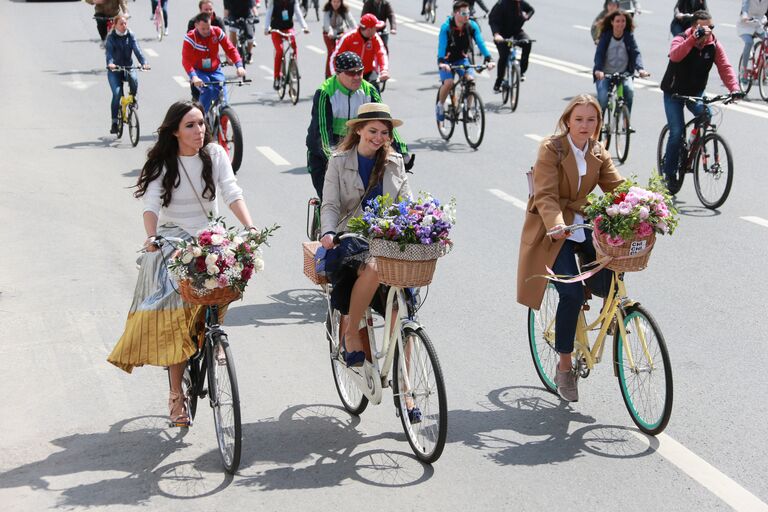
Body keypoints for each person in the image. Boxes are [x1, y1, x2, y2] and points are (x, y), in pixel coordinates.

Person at [108, 101, 258, 427]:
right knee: (176, 317)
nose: (199, 131)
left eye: (202, 124)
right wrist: (151, 237)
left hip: (209, 236)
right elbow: (150, 204)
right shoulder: (164, 163)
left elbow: (231, 192)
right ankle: (176, 396)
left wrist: (249, 227)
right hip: (173, 240)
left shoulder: (215, 155)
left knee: (230, 278)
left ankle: (212, 332)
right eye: (190, 125)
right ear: (175, 131)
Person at [517, 94, 625, 403]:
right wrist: (555, 222)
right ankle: (565, 367)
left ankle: (616, 319)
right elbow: (546, 194)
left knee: (611, 276)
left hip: (584, 225)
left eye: (591, 120)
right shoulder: (551, 149)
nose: (585, 125)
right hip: (554, 232)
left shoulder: (597, 151)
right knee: (571, 293)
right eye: (579, 119)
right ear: (568, 121)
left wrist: (643, 206)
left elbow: (617, 187)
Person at [319, 103, 412, 369]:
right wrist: (328, 231)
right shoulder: (338, 162)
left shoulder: (395, 163)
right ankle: (350, 332)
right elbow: (330, 205)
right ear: (359, 130)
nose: (379, 138)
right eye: (373, 131)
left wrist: (423, 227)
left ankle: (407, 392)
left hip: (386, 238)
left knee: (402, 312)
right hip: (348, 240)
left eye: (385, 132)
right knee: (373, 267)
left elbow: (408, 203)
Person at [306, 52, 411, 199]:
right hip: (327, 149)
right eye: (351, 73)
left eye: (360, 72)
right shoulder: (325, 92)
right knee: (331, 200)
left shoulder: (369, 89)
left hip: (360, 145)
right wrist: (334, 159)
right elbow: (322, 133)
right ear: (338, 73)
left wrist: (403, 151)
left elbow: (385, 121)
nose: (356, 77)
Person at [660, 10, 740, 187]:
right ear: (694, 27)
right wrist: (692, 40)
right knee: (676, 132)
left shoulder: (714, 44)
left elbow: (725, 67)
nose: (708, 31)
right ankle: (670, 172)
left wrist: (734, 89)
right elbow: (675, 55)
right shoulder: (681, 38)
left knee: (706, 115)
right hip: (674, 93)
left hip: (695, 92)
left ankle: (691, 150)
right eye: (703, 28)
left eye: (711, 27)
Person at [436, 1, 494, 122]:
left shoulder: (472, 26)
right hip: (447, 60)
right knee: (448, 83)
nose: (467, 15)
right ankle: (440, 105)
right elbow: (441, 47)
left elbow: (480, 42)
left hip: (462, 58)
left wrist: (489, 58)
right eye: (464, 13)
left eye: (468, 12)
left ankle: (467, 110)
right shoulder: (446, 27)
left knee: (471, 81)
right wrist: (442, 62)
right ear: (455, 13)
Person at [182, 12, 246, 114]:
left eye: (208, 27)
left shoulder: (217, 32)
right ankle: (202, 120)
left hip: (215, 70)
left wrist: (239, 66)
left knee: (224, 101)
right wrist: (193, 77)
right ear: (196, 26)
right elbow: (186, 60)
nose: (206, 31)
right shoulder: (190, 37)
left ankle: (222, 126)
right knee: (208, 90)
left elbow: (230, 49)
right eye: (203, 29)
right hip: (199, 72)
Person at [592, 10, 649, 114]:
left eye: (623, 21)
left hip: (624, 74)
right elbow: (599, 54)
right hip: (605, 74)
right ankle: (599, 126)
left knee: (629, 92)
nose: (620, 24)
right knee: (603, 98)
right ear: (612, 22)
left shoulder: (628, 36)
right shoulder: (605, 36)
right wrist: (598, 70)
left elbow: (636, 53)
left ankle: (626, 123)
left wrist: (640, 69)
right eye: (617, 21)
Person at [106, 14, 150, 135]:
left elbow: (137, 50)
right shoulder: (111, 37)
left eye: (125, 23)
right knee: (116, 94)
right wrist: (110, 64)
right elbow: (109, 54)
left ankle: (132, 99)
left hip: (128, 67)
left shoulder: (130, 35)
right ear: (115, 25)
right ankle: (114, 122)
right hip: (114, 70)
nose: (124, 26)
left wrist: (144, 62)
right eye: (121, 24)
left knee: (134, 79)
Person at [330, 14, 390, 87]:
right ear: (369, 29)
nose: (376, 30)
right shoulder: (348, 38)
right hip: (350, 75)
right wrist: (335, 75)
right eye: (375, 28)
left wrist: (384, 70)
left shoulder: (375, 38)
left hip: (368, 72)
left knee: (375, 92)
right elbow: (335, 57)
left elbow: (381, 53)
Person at [489, 0, 534, 92]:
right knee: (504, 56)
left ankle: (521, 71)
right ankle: (499, 81)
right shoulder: (501, 4)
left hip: (516, 32)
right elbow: (492, 19)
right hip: (502, 35)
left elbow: (531, 10)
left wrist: (527, 16)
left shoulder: (520, 3)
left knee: (527, 43)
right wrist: (496, 34)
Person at [265, 0, 310, 91]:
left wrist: (304, 27)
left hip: (288, 28)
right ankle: (277, 77)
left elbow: (298, 14)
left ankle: (293, 69)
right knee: (280, 51)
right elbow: (268, 15)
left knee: (294, 46)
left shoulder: (293, 2)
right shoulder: (273, 2)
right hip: (276, 30)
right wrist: (267, 28)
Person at [188, 1, 225, 102]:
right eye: (206, 10)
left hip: (213, 61)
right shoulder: (193, 23)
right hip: (198, 62)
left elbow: (225, 42)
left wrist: (230, 58)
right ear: (200, 11)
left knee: (221, 89)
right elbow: (190, 46)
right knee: (201, 90)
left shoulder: (218, 21)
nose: (209, 12)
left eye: (210, 9)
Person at [322, 0, 357, 78]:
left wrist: (356, 31)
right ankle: (328, 75)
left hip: (340, 33)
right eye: (334, 2)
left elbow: (351, 21)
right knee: (331, 53)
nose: (336, 4)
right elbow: (326, 24)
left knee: (342, 53)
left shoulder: (344, 10)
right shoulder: (327, 10)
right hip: (329, 34)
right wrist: (330, 32)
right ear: (330, 2)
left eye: (338, 2)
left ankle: (343, 73)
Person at [737, 0, 768, 85]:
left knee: (767, 40)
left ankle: (763, 66)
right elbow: (745, 8)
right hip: (746, 24)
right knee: (749, 42)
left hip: (759, 24)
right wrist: (745, 15)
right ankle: (744, 71)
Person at [223, 0, 260, 64]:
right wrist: (225, 18)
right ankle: (233, 54)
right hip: (233, 16)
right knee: (232, 29)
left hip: (247, 15)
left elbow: (253, 7)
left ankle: (249, 54)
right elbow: (226, 9)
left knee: (250, 35)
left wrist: (256, 16)